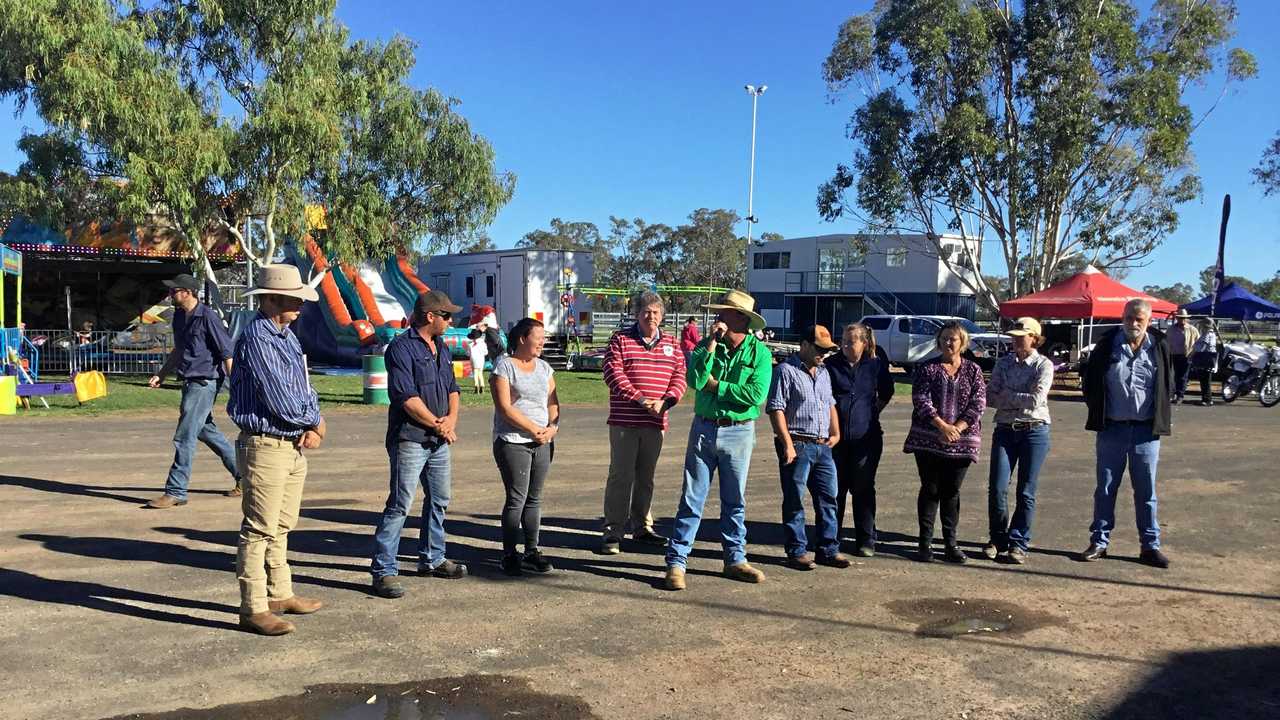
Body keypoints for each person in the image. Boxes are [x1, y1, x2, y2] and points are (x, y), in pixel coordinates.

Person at [226, 264, 326, 636]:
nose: (299, 305)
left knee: (281, 524)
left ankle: (279, 593)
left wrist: (313, 419)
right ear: (270, 300)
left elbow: (303, 385)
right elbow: (282, 398)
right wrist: (312, 421)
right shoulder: (258, 338)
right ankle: (252, 607)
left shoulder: (286, 337)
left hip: (289, 443)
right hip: (266, 443)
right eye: (292, 299)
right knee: (259, 528)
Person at [663, 289, 773, 591]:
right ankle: (676, 562)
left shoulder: (760, 354)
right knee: (691, 497)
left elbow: (756, 395)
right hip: (704, 428)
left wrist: (717, 386)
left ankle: (735, 559)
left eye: (723, 313)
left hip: (739, 430)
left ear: (741, 318)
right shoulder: (706, 346)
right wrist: (710, 344)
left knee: (734, 499)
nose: (717, 317)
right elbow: (695, 381)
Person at [370, 290, 468, 600]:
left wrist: (450, 419)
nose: (452, 321)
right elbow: (406, 398)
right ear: (430, 316)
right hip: (410, 438)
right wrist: (438, 424)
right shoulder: (400, 349)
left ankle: (432, 558)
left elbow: (452, 388)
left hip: (439, 439)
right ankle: (384, 570)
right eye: (447, 316)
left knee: (439, 499)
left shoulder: (440, 346)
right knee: (400, 504)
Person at [1079, 298, 1173, 569]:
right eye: (1129, 317)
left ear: (1149, 321)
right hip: (1112, 430)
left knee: (1146, 492)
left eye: (1139, 319)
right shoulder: (1107, 344)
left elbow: (1167, 384)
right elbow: (1091, 383)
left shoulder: (1159, 346)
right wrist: (1097, 410)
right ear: (1122, 316)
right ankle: (1099, 542)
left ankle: (1150, 546)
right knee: (1106, 489)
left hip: (1146, 432)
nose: (1133, 323)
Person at [599, 291, 687, 555]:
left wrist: (666, 401)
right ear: (637, 314)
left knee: (646, 478)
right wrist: (640, 399)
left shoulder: (672, 342)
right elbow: (612, 373)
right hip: (626, 421)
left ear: (663, 315)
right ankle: (613, 531)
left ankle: (642, 527)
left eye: (656, 312)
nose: (651, 316)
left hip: (656, 422)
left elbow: (679, 376)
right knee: (621, 476)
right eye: (646, 311)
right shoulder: (621, 340)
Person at [145, 273, 241, 508]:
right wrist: (162, 373)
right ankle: (245, 477)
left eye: (174, 291)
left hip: (204, 382)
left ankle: (176, 490)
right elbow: (179, 350)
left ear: (187, 292)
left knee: (184, 436)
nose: (170, 294)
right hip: (189, 381)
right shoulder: (179, 316)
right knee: (206, 431)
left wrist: (238, 387)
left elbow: (227, 353)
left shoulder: (207, 317)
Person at [766, 324, 850, 571]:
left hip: (823, 445)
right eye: (819, 349)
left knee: (828, 498)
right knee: (795, 499)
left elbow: (830, 403)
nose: (823, 354)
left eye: (827, 350)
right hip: (797, 443)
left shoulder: (823, 372)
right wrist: (787, 444)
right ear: (804, 345)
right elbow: (776, 408)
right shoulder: (785, 371)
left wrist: (836, 431)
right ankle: (797, 551)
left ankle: (828, 549)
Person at [903, 321, 986, 564]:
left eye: (953, 339)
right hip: (929, 438)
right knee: (930, 489)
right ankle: (924, 544)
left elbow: (978, 402)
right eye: (944, 338)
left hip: (962, 441)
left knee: (951, 491)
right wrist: (942, 426)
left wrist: (957, 428)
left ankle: (951, 544)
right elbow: (921, 398)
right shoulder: (927, 368)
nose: (948, 343)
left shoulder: (973, 370)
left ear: (962, 343)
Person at [491, 318, 560, 576]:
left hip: (543, 441)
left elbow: (553, 401)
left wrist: (552, 427)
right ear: (522, 338)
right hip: (513, 442)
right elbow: (505, 408)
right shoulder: (504, 366)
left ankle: (532, 551)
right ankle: (510, 554)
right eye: (539, 337)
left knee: (535, 498)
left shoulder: (544, 368)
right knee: (516, 499)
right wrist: (533, 430)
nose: (543, 342)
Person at [984, 317, 1054, 565]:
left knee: (1026, 491)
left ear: (1034, 337)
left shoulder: (1043, 365)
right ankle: (998, 538)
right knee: (998, 487)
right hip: (1004, 429)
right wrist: (1015, 398)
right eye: (1013, 336)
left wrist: (1007, 396)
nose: (1015, 340)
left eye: (1020, 336)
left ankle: (1019, 542)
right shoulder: (1003, 363)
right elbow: (990, 396)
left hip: (1034, 431)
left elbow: (1036, 400)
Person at [826, 322, 894, 557]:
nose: (845, 344)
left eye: (851, 340)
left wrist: (871, 413)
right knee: (836, 489)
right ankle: (830, 538)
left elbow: (887, 392)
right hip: (836, 440)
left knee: (863, 488)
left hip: (867, 439)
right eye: (843, 339)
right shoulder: (831, 364)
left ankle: (866, 539)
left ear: (864, 343)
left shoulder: (875, 364)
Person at [1166, 309, 1199, 405]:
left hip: (1186, 355)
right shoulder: (1171, 329)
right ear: (1177, 318)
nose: (1182, 320)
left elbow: (1198, 342)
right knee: (1175, 376)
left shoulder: (1192, 329)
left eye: (1184, 318)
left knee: (1183, 377)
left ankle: (1180, 395)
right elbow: (1166, 341)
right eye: (1180, 318)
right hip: (1174, 355)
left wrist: (1193, 353)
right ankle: (1174, 394)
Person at [1190, 319, 1219, 407]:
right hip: (1208, 359)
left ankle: (1207, 399)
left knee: (1205, 380)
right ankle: (1206, 398)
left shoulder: (1207, 334)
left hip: (1205, 359)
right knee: (1205, 380)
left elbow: (1203, 346)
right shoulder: (1212, 334)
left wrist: (1194, 353)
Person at [468, 327, 488, 394]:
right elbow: (486, 352)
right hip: (481, 360)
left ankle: (476, 385)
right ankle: (482, 385)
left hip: (473, 359)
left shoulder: (470, 345)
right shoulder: (483, 344)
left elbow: (468, 353)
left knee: (475, 373)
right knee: (480, 373)